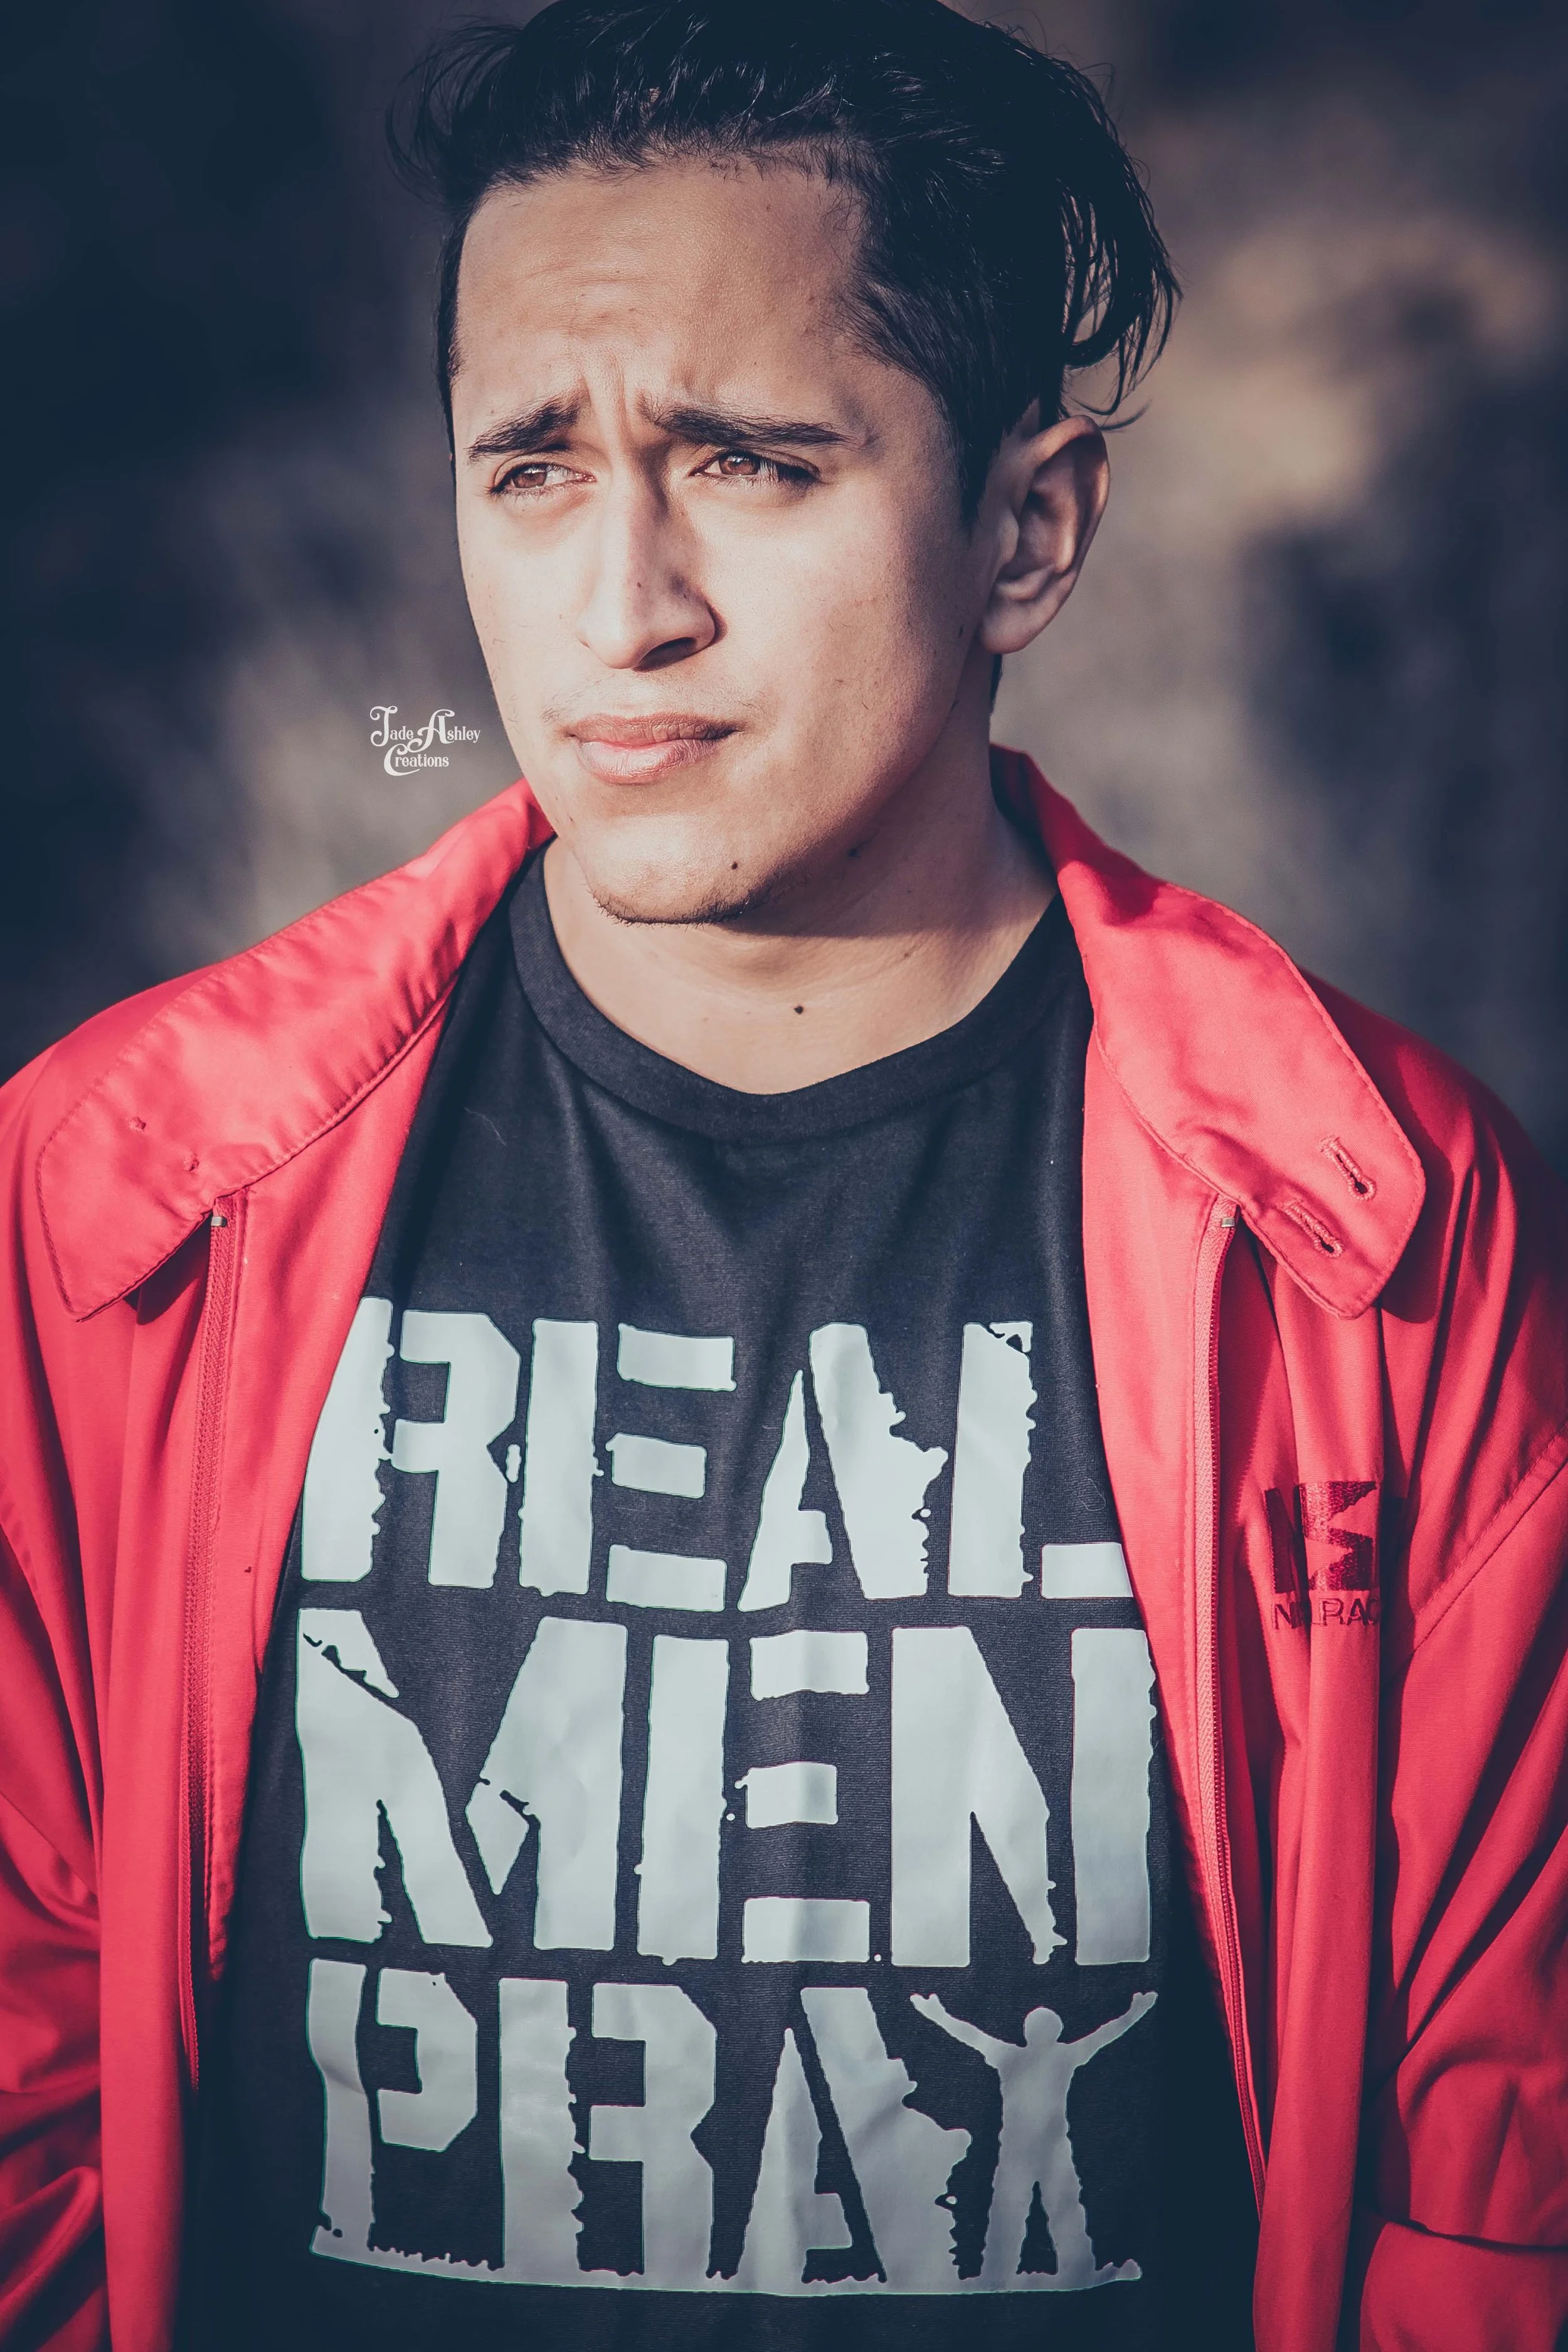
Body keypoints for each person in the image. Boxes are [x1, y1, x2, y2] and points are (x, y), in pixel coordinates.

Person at [0, 2, 1562, 2348]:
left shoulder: (1375, 1230)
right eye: (530, 461)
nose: (620, 604)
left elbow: (1495, 2186)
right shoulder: (117, 1192)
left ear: (1024, 528)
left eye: (746, 460)